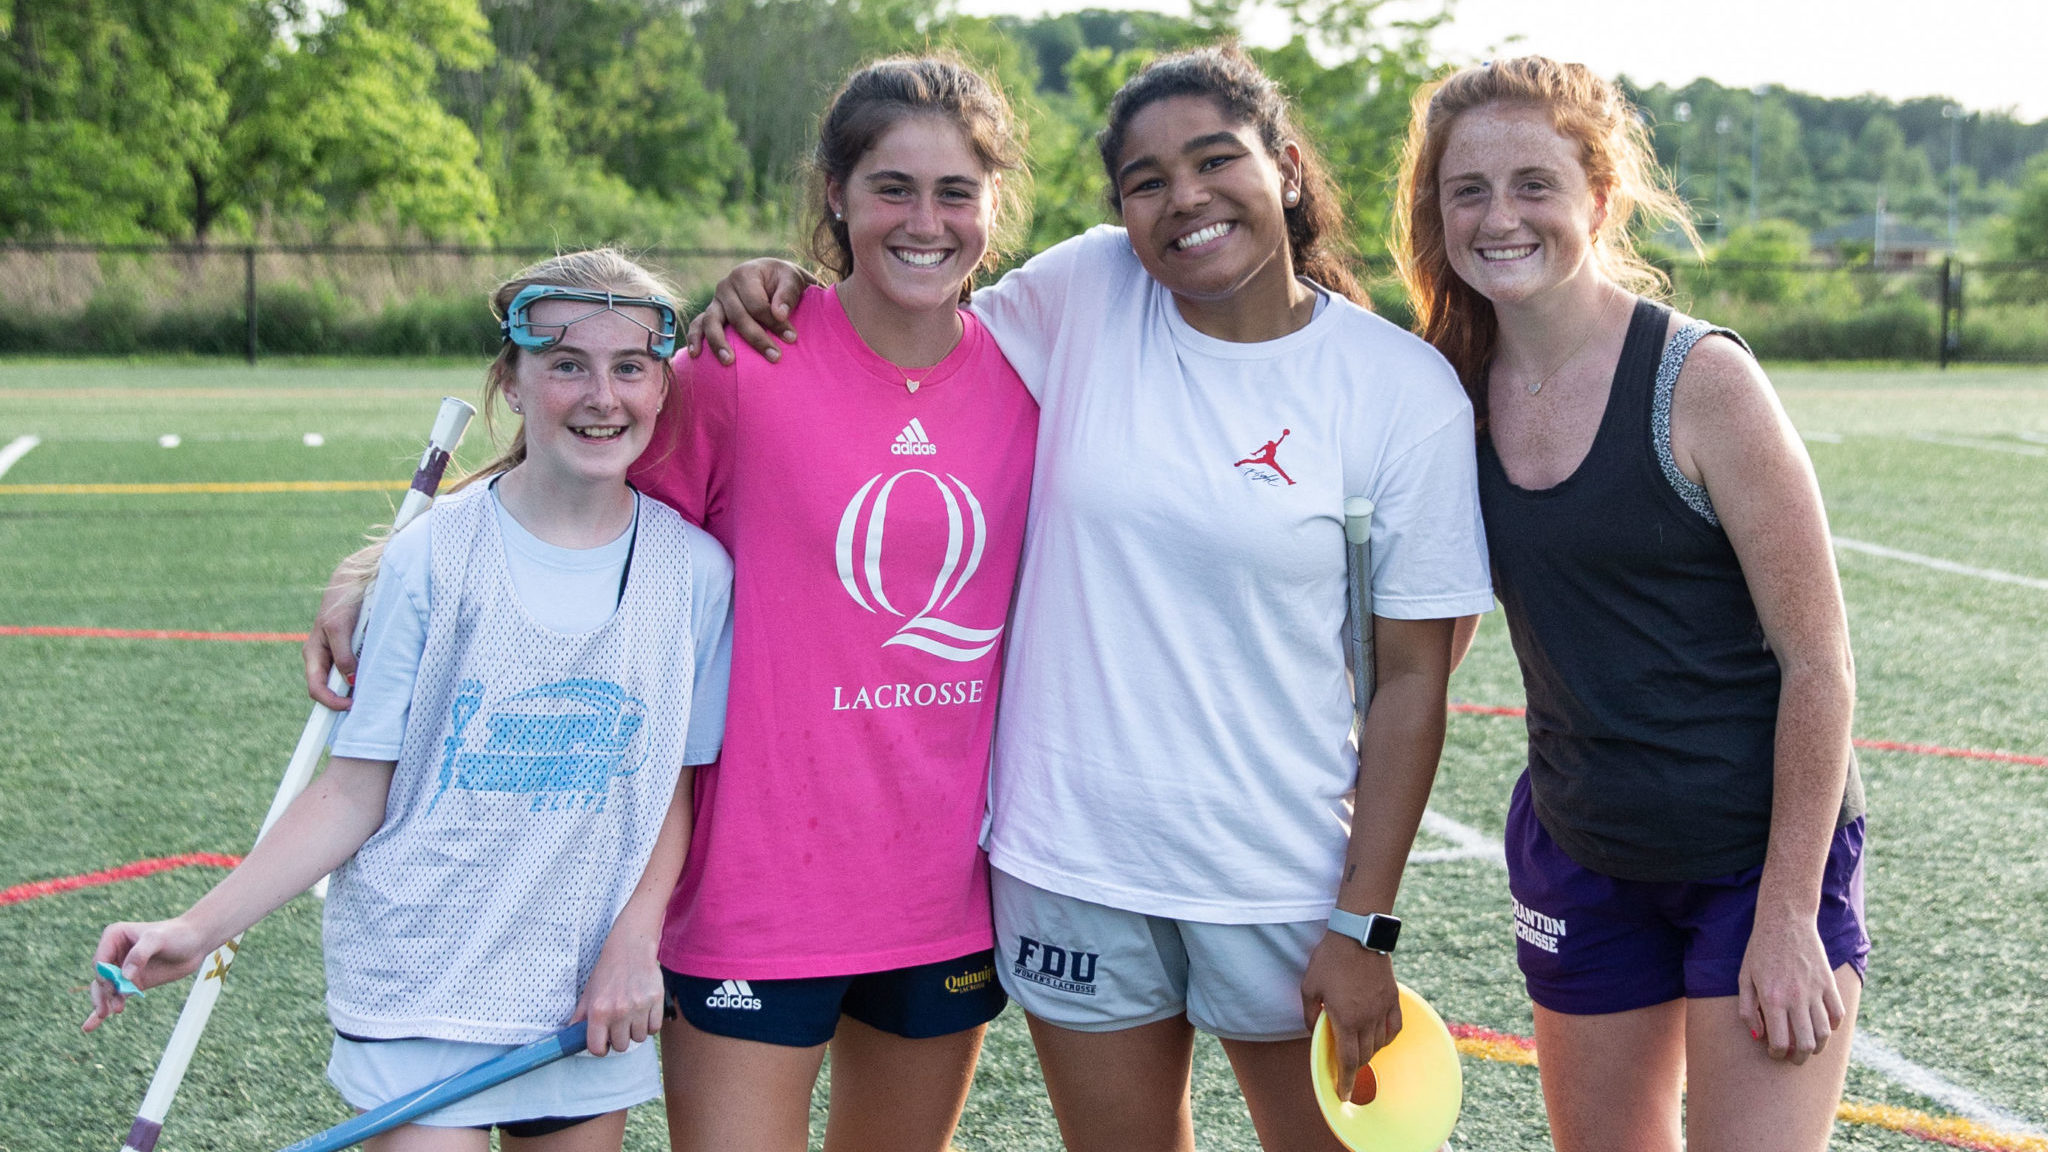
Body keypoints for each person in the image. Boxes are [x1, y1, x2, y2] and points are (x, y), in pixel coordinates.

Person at [692, 45, 1492, 1152]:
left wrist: (1363, 922)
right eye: (1146, 180)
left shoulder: (1399, 390)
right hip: (1069, 864)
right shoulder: (1085, 288)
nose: (1184, 198)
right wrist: (773, 285)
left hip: (1278, 879)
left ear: (1289, 170)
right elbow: (909, 313)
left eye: (1216, 160)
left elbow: (1413, 678)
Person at [308, 58, 1038, 1152]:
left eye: (953, 192)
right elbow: (573, 488)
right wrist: (383, 561)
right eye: (891, 186)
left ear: (993, 203)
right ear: (833, 195)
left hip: (941, 892)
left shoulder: (1032, 369)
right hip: (748, 893)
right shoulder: (748, 362)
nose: (923, 220)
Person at [86, 249, 736, 1150]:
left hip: (584, 988)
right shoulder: (432, 559)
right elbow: (356, 790)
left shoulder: (695, 574)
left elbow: (676, 786)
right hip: (423, 975)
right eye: (565, 365)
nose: (602, 395)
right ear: (510, 380)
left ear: (663, 386)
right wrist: (198, 928)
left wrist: (635, 942)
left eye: (629, 367)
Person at [1391, 57, 1869, 1152]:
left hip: (1752, 857)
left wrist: (1788, 919)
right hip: (1582, 843)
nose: (1498, 215)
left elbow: (1818, 664)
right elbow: (1431, 646)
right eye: (1466, 189)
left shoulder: (1701, 384)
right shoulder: (1445, 388)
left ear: (1597, 199)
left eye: (1531, 183)